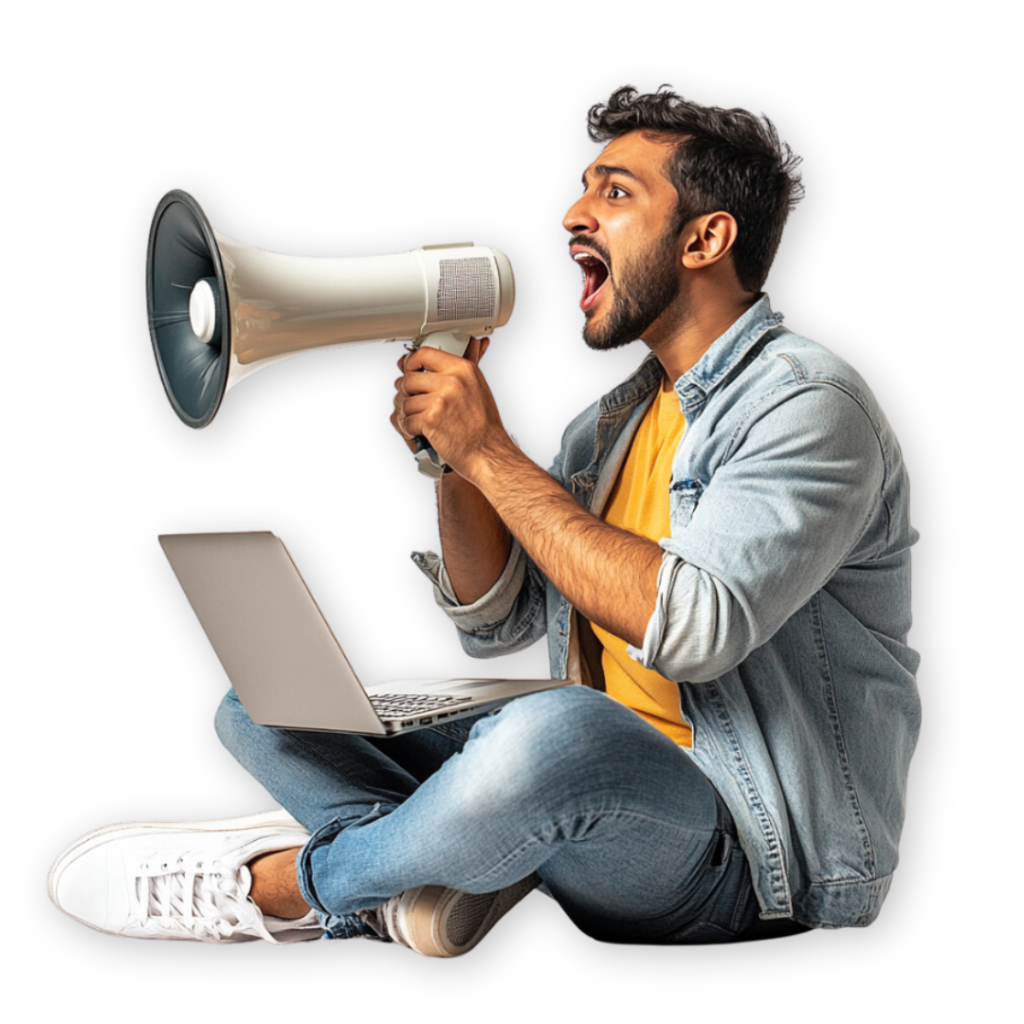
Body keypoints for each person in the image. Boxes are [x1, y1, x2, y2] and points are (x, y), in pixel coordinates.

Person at [47, 83, 921, 954]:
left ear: (706, 237)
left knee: (555, 736)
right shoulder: (606, 428)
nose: (574, 214)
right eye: (583, 188)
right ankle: (434, 873)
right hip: (572, 783)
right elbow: (497, 623)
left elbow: (691, 629)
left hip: (742, 846)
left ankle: (295, 887)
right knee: (262, 705)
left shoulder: (807, 404)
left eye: (615, 192)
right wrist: (455, 463)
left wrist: (496, 454)